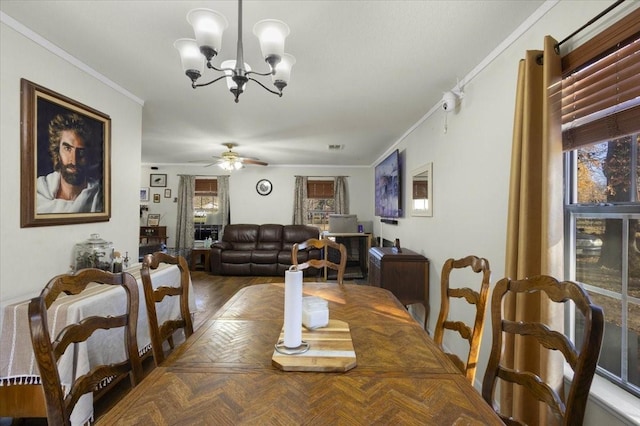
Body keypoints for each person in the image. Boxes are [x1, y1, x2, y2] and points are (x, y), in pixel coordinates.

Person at [36, 112, 103, 213]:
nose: (74, 160)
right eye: (67, 148)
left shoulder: (99, 195)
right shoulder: (39, 190)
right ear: (57, 151)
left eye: (81, 152)